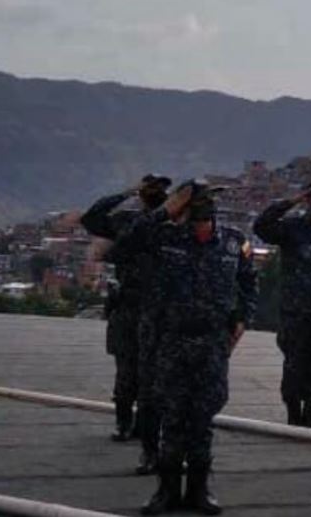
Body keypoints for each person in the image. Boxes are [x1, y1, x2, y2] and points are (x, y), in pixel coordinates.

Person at [119, 180, 257, 516]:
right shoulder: (166, 238)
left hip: (212, 344)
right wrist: (165, 210)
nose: (202, 209)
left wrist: (241, 320)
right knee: (172, 418)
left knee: (202, 420)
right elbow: (126, 245)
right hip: (173, 341)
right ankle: (166, 490)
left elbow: (249, 283)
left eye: (207, 202)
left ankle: (199, 489)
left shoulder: (234, 243)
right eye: (194, 203)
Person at [80, 174, 171, 476]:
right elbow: (92, 218)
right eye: (151, 188)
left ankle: (148, 429)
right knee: (126, 370)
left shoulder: (171, 223)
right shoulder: (126, 220)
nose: (156, 193)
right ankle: (123, 422)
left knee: (154, 375)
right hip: (130, 304)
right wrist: (126, 193)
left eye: (160, 188)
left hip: (159, 306)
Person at [253, 180, 311, 427]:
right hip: (295, 310)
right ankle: (293, 413)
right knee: (294, 364)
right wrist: (294, 201)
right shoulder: (293, 228)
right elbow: (262, 226)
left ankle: (310, 416)